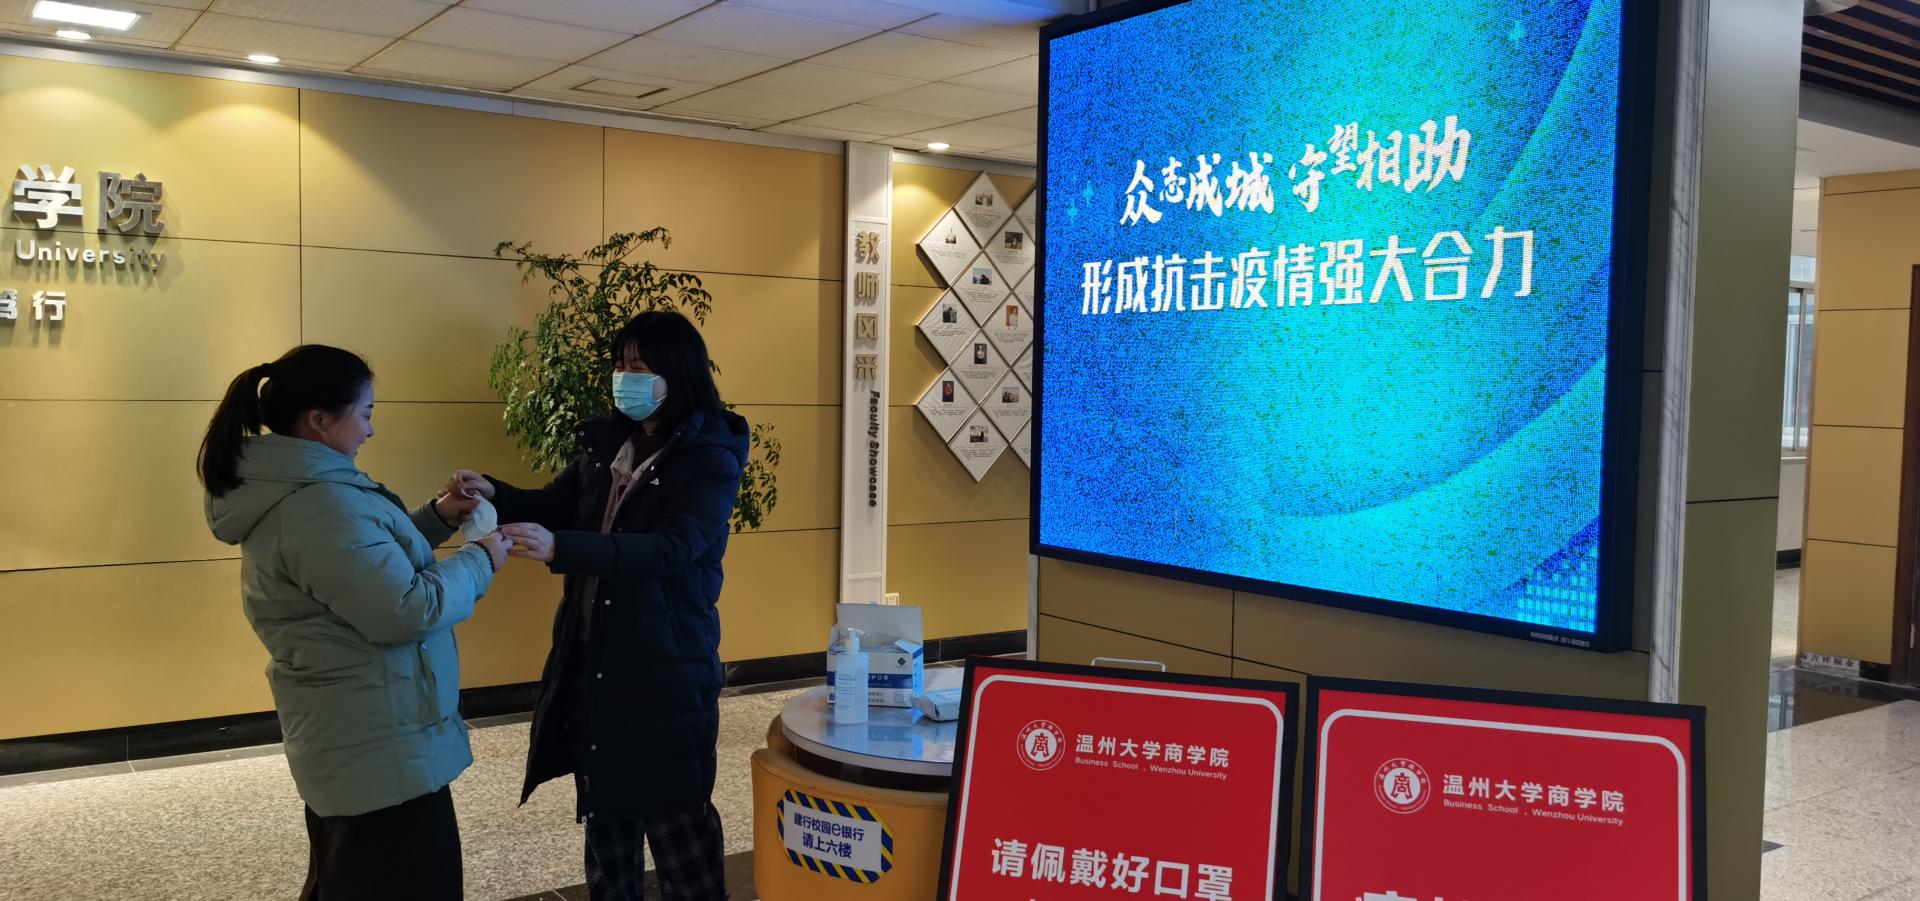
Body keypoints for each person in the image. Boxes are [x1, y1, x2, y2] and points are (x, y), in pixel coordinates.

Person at [448, 311, 748, 901]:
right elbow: (556, 505)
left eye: (638, 366)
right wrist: (494, 490)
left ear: (677, 372)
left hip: (665, 662)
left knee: (677, 826)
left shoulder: (710, 455)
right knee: (608, 822)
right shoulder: (610, 442)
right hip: (594, 655)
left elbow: (672, 548)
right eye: (618, 364)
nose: (623, 377)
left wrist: (562, 548)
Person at [199, 345, 510, 901]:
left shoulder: (305, 491)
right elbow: (406, 608)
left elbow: (364, 565)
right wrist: (481, 558)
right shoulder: (320, 503)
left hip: (363, 738)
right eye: (365, 413)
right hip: (381, 749)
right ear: (320, 420)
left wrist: (436, 517)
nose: (371, 428)